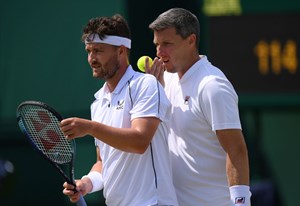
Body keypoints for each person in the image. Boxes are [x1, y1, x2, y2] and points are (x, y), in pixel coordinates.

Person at [60, 14, 178, 206]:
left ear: (121, 51)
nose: (92, 59)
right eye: (88, 51)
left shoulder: (146, 85)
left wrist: (90, 128)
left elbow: (140, 141)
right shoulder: (97, 103)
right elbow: (103, 163)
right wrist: (87, 183)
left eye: (98, 51)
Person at [146, 8, 251, 206]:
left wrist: (241, 203)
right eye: (157, 45)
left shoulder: (212, 86)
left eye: (167, 44)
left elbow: (236, 150)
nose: (159, 52)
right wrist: (156, 97)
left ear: (191, 40)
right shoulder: (163, 81)